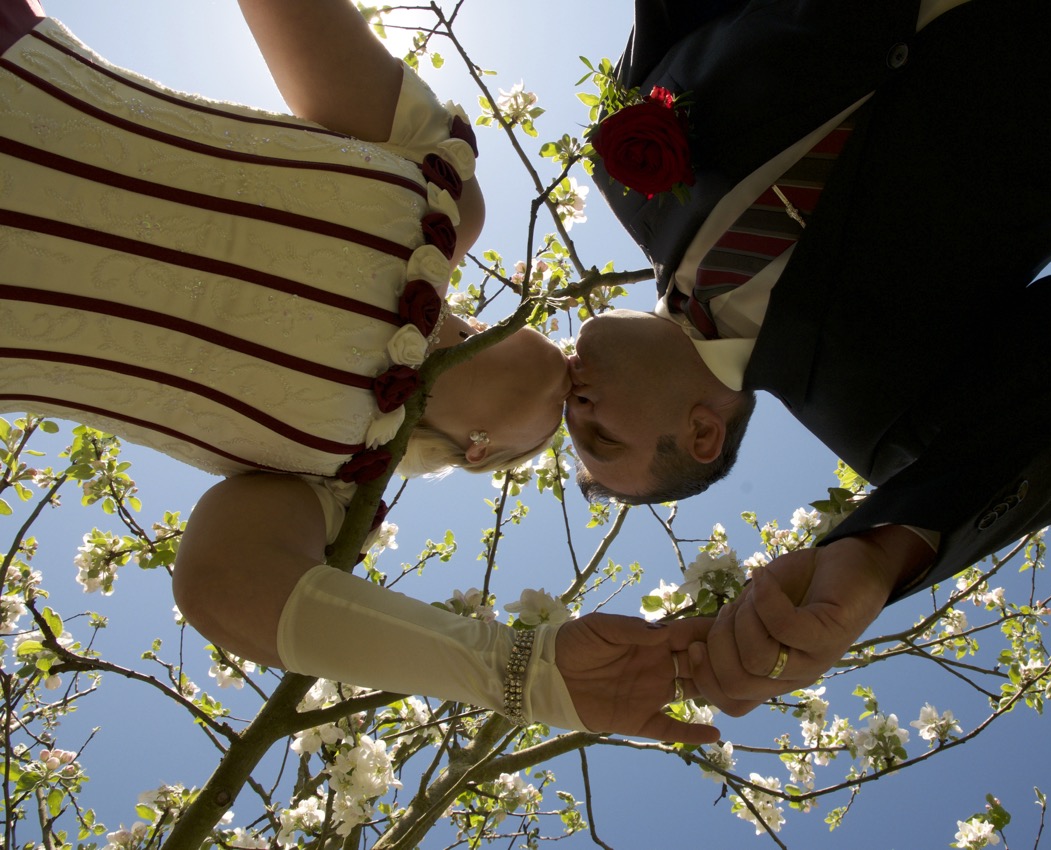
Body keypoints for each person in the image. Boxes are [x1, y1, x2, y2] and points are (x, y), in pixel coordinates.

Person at [0, 0, 717, 743]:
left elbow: (220, 586)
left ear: (481, 449)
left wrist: (523, 674)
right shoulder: (442, 187)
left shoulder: (338, 487)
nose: (580, 403)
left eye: (579, 439)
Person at [568, 0, 1051, 716]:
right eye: (599, 435)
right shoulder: (885, 414)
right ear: (701, 435)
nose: (573, 407)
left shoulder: (622, 172)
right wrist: (878, 556)